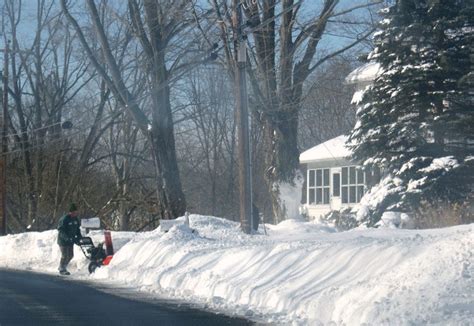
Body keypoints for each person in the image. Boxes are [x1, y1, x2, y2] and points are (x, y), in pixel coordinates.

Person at [57, 203, 82, 275]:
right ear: (70, 212)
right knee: (64, 255)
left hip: (71, 240)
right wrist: (67, 238)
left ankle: (63, 266)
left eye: (76, 212)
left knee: (71, 255)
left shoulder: (76, 219)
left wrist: (79, 236)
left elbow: (77, 229)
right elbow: (61, 231)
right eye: (74, 212)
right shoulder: (64, 219)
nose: (75, 213)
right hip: (63, 241)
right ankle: (62, 268)